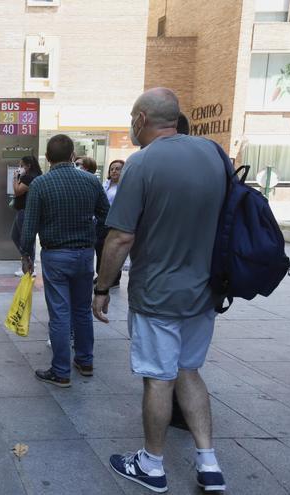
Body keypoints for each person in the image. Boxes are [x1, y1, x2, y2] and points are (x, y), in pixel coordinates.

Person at [93, 88, 227, 493]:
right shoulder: (213, 154)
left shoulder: (142, 164)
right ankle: (208, 462)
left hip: (157, 294)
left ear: (140, 120)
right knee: (189, 370)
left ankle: (151, 465)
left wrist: (102, 287)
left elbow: (119, 238)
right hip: (205, 290)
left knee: (158, 378)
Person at [20, 134, 109, 388]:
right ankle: (85, 360)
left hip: (55, 255)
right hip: (84, 254)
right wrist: (93, 233)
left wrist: (26, 254)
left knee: (59, 313)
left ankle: (60, 371)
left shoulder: (40, 184)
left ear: (47, 158)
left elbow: (30, 225)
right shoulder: (91, 181)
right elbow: (107, 215)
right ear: (73, 155)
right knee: (82, 309)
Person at [94, 159, 125, 288]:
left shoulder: (125, 186)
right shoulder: (105, 184)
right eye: (112, 169)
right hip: (101, 222)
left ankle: (114, 278)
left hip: (116, 224)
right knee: (100, 250)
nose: (114, 171)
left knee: (113, 251)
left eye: (118, 169)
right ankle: (101, 275)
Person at [11, 155, 43, 276]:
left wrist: (14, 178)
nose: (20, 168)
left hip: (25, 211)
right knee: (16, 236)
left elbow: (17, 191)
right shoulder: (34, 176)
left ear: (28, 166)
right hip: (24, 210)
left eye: (22, 165)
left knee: (25, 239)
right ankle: (28, 260)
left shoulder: (29, 177)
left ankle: (29, 264)